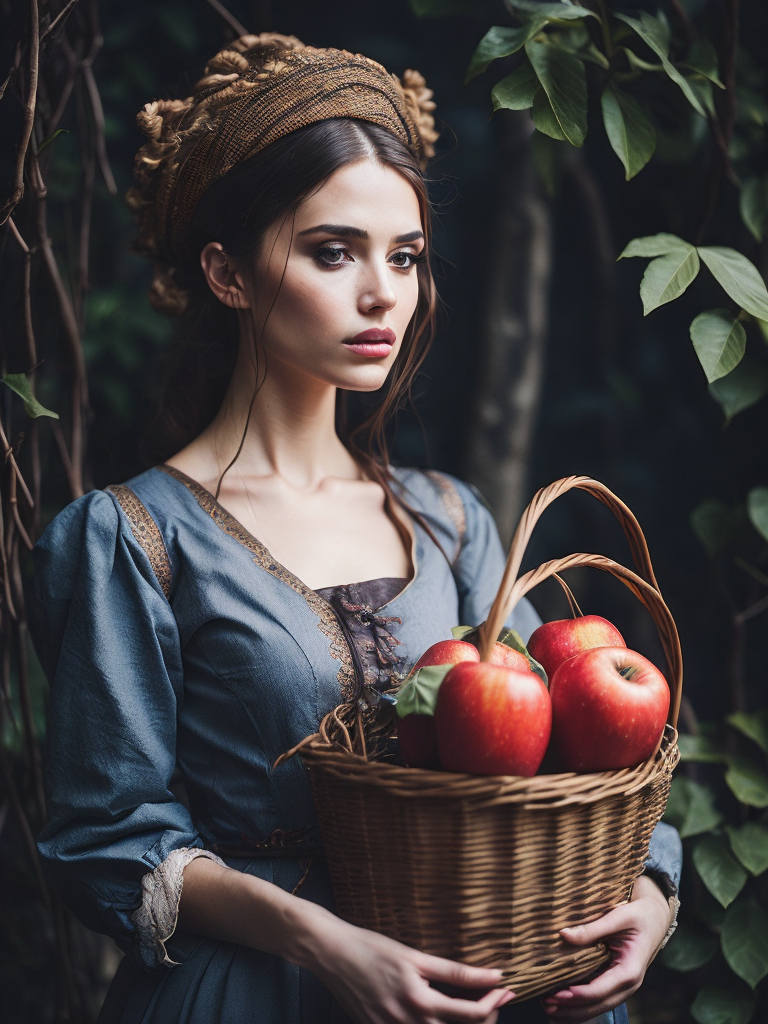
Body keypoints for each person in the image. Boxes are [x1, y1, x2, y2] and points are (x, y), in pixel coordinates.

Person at [29, 33, 681, 1024]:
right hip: (255, 987)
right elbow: (110, 834)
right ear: (229, 272)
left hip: (478, 975)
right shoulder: (132, 539)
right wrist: (318, 937)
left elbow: (580, 751)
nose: (385, 293)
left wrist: (647, 896)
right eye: (334, 252)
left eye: (406, 257)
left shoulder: (449, 520)